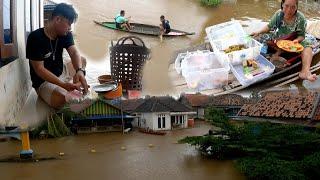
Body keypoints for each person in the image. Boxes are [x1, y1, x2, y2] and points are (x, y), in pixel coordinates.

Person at [26, 3, 89, 109]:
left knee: (82, 61)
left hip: (61, 72)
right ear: (58, 19)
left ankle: (73, 86)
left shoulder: (65, 34)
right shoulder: (35, 37)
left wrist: (79, 70)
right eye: (68, 24)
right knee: (64, 99)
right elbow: (39, 69)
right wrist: (63, 85)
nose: (69, 28)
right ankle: (65, 89)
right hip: (44, 81)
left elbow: (74, 52)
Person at [251, 0, 317, 81]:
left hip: (293, 41)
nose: (289, 10)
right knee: (259, 37)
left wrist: (296, 41)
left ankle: (305, 72)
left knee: (307, 46)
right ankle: (266, 56)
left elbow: (301, 36)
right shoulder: (279, 14)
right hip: (279, 38)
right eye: (286, 6)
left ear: (297, 7)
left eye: (293, 7)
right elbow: (269, 27)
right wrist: (258, 32)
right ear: (282, 4)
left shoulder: (301, 18)